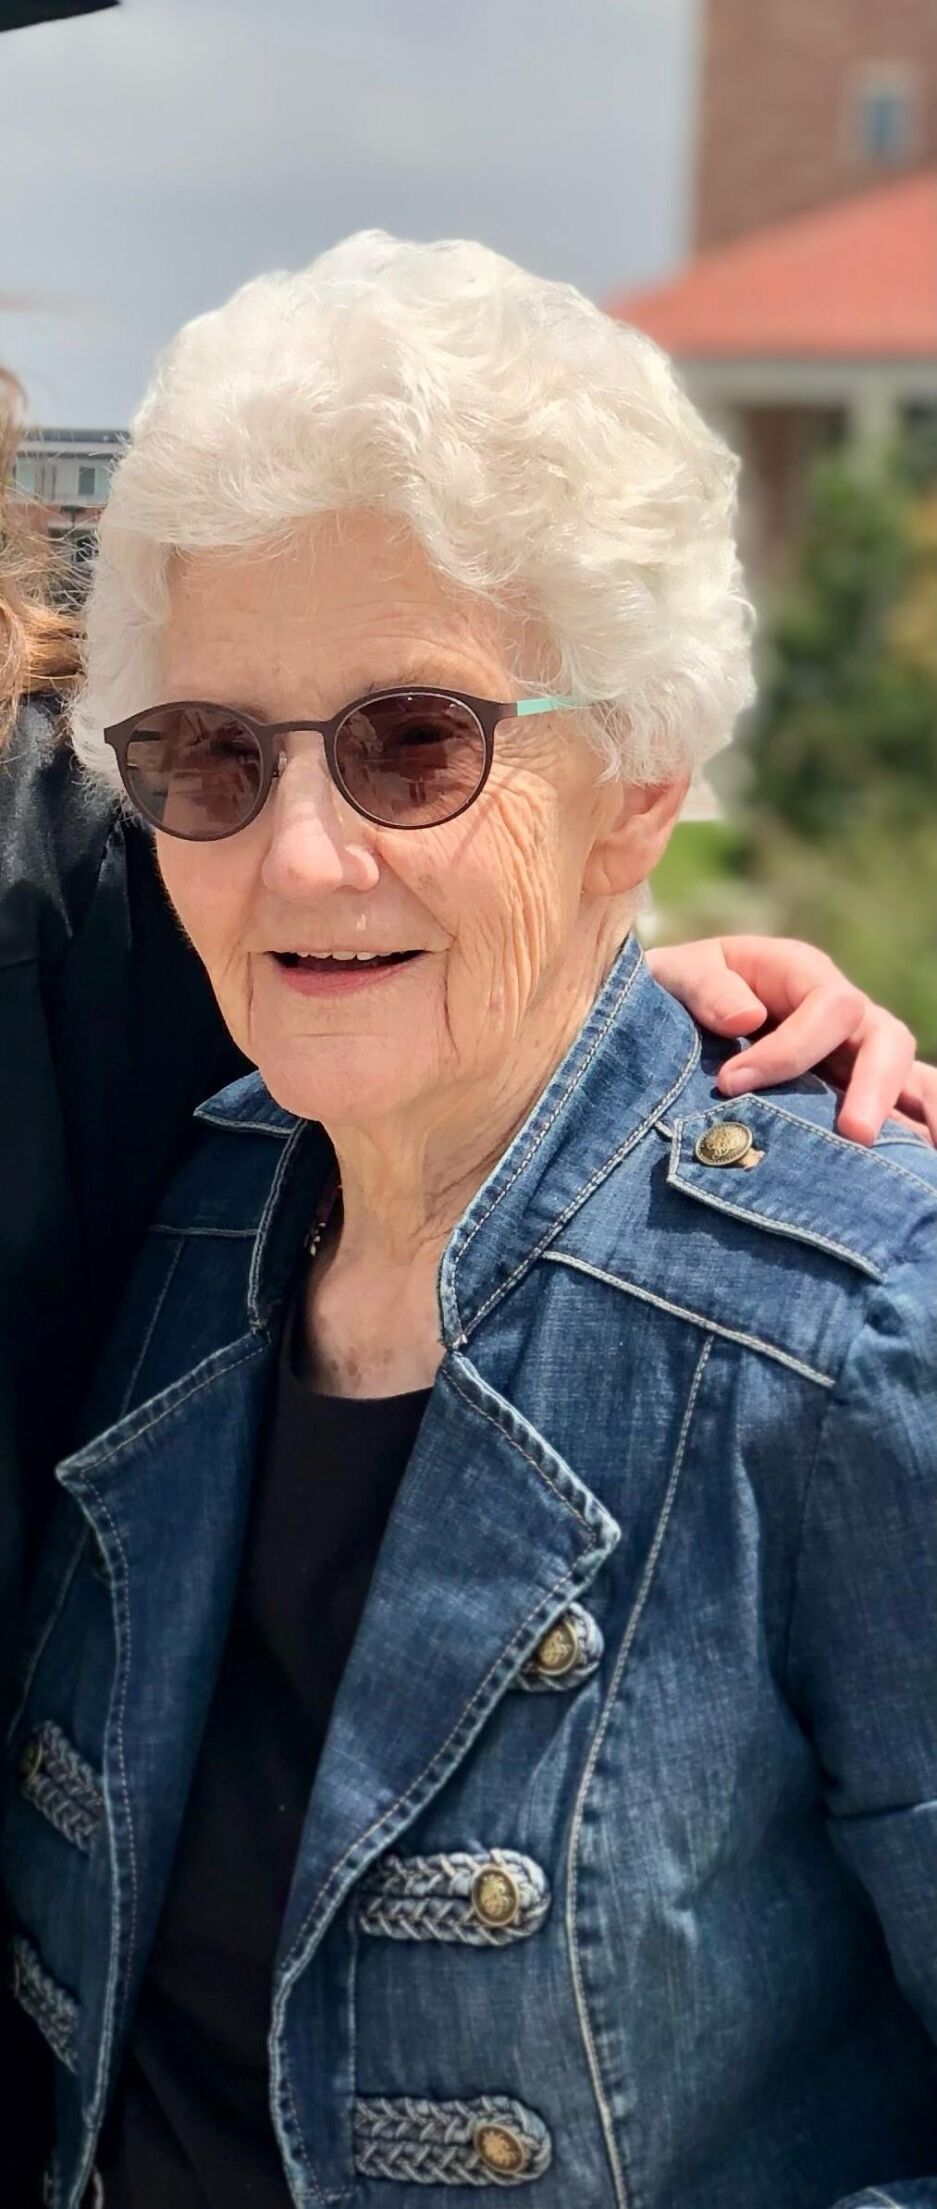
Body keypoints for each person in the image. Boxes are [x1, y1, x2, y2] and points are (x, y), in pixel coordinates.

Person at [3, 235, 935, 2209]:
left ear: (637, 782)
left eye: (415, 742)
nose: (300, 852)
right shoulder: (208, 1222)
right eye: (210, 754)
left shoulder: (851, 1350)